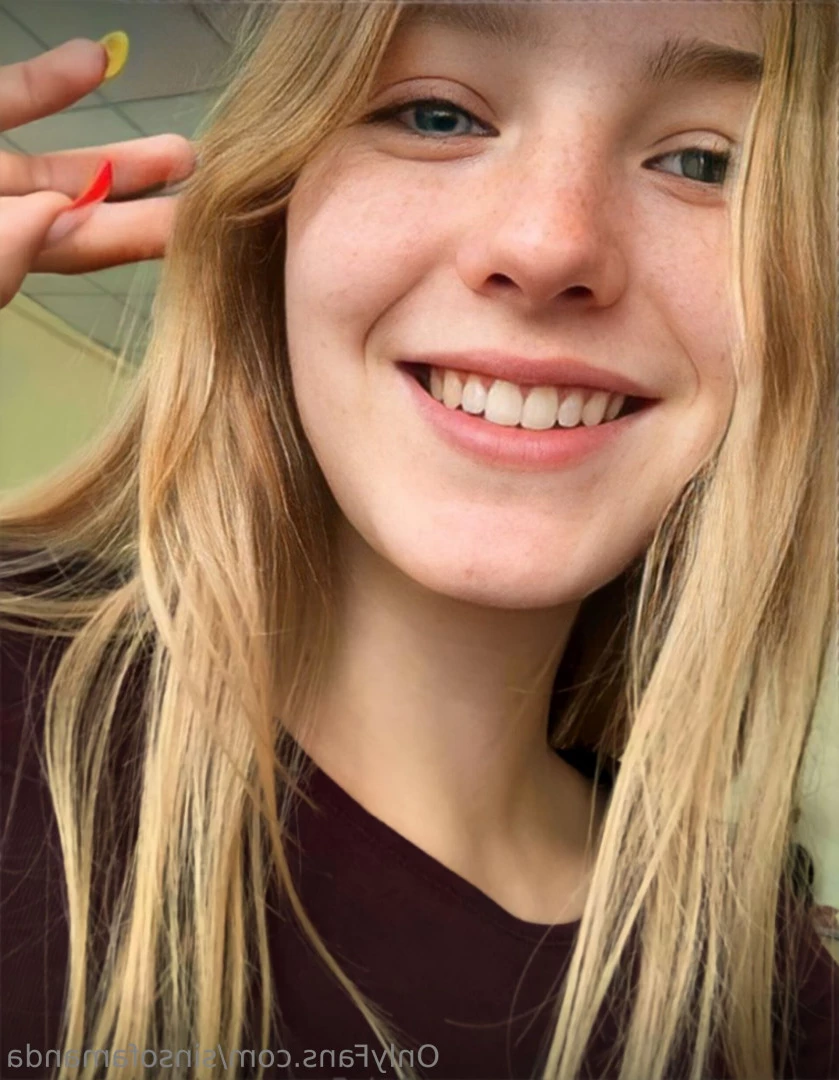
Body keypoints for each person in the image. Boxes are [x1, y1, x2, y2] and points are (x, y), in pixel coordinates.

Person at [1, 2, 837, 1079]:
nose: (547, 245)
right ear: (274, 205)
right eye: (437, 115)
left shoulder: (774, 1002)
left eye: (703, 162)